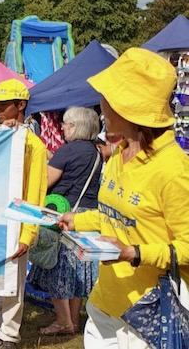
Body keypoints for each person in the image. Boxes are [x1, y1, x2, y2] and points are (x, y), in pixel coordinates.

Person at [59, 48, 189, 349]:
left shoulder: (175, 171)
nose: (101, 106)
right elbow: (114, 216)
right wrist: (78, 220)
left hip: (151, 314)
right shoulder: (119, 153)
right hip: (106, 302)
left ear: (128, 107)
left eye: (108, 97)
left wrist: (133, 253)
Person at [0, 79, 48, 349]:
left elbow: (35, 192)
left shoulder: (33, 145)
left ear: (21, 105)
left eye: (4, 104)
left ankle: (9, 335)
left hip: (14, 223)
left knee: (14, 283)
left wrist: (28, 233)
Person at [27, 106, 102, 335]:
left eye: (66, 124)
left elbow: (46, 180)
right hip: (87, 217)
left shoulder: (68, 151)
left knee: (57, 271)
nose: (62, 127)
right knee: (79, 275)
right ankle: (74, 321)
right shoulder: (97, 151)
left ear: (76, 126)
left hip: (64, 217)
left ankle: (63, 321)